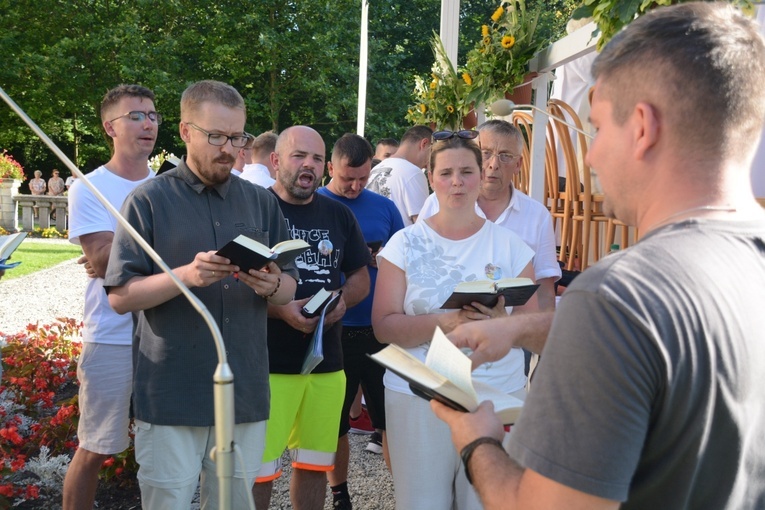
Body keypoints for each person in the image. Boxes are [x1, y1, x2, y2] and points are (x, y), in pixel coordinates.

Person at [432, 3, 765, 509]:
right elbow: (668, 345)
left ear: (642, 127)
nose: (589, 155)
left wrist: (476, 438)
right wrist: (518, 329)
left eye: (599, 127)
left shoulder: (617, 297)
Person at [104, 80, 298, 510]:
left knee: (233, 504)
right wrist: (186, 276)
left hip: (243, 391)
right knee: (168, 502)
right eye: (216, 136)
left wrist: (273, 286)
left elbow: (288, 287)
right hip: (173, 392)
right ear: (186, 131)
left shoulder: (261, 203)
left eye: (236, 137)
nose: (228, 148)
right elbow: (120, 296)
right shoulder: (148, 201)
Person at [371, 132, 539, 509]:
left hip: (493, 392)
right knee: (422, 503)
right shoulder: (404, 243)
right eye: (446, 173)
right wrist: (449, 322)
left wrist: (501, 323)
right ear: (430, 177)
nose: (457, 182)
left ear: (481, 176)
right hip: (419, 389)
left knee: (484, 501)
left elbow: (533, 328)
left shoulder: (511, 247)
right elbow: (384, 325)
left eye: (466, 171)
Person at [252, 126, 371, 510]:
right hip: (267, 363)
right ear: (275, 161)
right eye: (299, 156)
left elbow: (359, 277)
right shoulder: (253, 209)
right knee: (258, 470)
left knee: (315, 465)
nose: (309, 165)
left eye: (317, 158)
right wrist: (280, 310)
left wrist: (340, 301)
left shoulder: (338, 214)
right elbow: (230, 285)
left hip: (326, 363)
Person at [62, 84, 159, 510]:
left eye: (153, 115)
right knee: (96, 448)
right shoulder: (89, 187)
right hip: (113, 337)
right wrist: (118, 254)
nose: (148, 123)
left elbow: (112, 256)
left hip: (164, 337)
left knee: (163, 449)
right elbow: (102, 262)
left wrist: (118, 252)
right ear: (109, 127)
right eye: (136, 116)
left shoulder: (170, 185)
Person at [317, 133, 404, 509]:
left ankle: (406, 492)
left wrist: (382, 261)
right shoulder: (314, 204)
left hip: (381, 329)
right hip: (333, 330)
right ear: (329, 168)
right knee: (335, 424)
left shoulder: (384, 207)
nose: (354, 188)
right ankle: (340, 496)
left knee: (391, 421)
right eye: (346, 179)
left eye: (362, 180)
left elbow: (408, 259)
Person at [418, 120, 560, 311]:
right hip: (445, 324)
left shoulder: (537, 216)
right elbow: (417, 266)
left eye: (505, 156)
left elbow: (543, 289)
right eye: (486, 154)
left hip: (509, 332)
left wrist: (540, 337)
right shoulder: (438, 202)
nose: (493, 165)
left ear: (518, 165)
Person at [365, 126, 432, 226]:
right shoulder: (414, 173)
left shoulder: (375, 169)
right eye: (432, 151)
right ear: (424, 144)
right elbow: (423, 226)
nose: (431, 159)